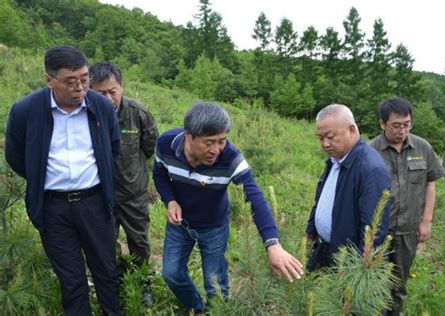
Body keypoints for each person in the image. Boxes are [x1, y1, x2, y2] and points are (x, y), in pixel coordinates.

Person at [153, 102, 304, 313]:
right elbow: (159, 174)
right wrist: (170, 200)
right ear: (189, 135)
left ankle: (216, 311)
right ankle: (197, 308)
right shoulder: (166, 144)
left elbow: (255, 197)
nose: (216, 149)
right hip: (180, 225)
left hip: (214, 227)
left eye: (221, 141)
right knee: (171, 274)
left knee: (215, 284)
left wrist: (273, 243)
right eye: (209, 142)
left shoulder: (231, 158)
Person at [4, 45, 121, 315]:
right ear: (49, 80)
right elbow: (16, 156)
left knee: (106, 271)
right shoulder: (25, 111)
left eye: (84, 78)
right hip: (53, 207)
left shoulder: (101, 106)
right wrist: (41, 177)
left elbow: (112, 148)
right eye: (71, 81)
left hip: (95, 203)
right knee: (72, 280)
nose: (80, 87)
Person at [370, 97, 445, 316]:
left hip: (408, 230)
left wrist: (426, 222)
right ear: (382, 123)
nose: (402, 130)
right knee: (375, 281)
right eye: (396, 125)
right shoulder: (370, 150)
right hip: (378, 232)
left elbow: (431, 183)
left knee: (399, 283)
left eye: (407, 124)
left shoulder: (422, 146)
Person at [305, 104, 391, 269]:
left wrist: (356, 274)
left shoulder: (370, 169)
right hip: (324, 250)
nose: (325, 143)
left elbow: (373, 231)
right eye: (320, 138)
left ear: (352, 130)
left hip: (345, 264)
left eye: (330, 136)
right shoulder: (335, 159)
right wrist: (311, 230)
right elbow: (322, 197)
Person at [90, 62, 158, 266]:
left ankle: (142, 282)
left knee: (139, 240)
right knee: (104, 241)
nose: (108, 98)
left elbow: (150, 146)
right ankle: (115, 280)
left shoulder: (138, 113)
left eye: (112, 91)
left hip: (133, 193)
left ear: (122, 87)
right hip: (100, 194)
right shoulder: (86, 114)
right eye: (101, 93)